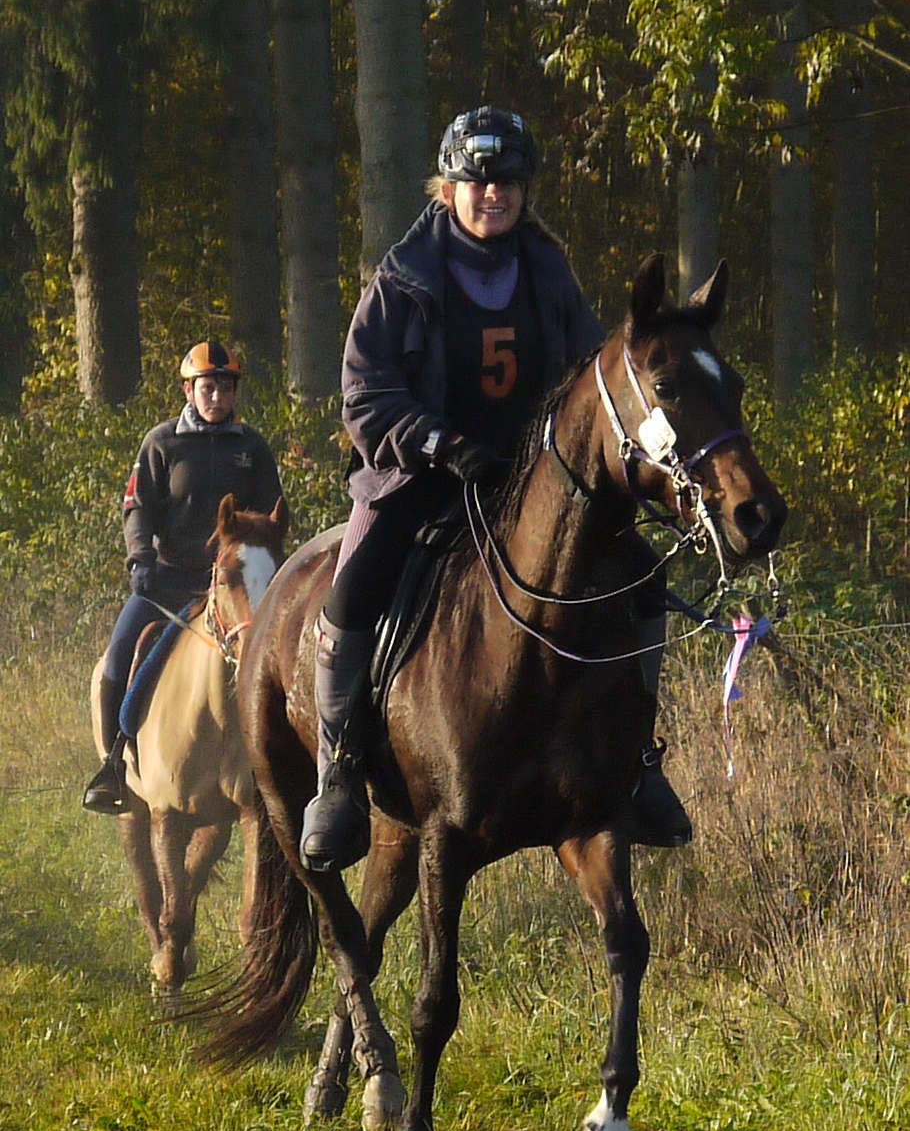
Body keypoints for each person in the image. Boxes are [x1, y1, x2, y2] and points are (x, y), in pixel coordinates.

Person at [299, 105, 691, 873]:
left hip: (533, 484)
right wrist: (441, 443)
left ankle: (637, 762)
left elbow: (591, 378)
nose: (493, 195)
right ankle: (338, 774)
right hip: (419, 475)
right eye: (477, 181)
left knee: (644, 585)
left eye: (507, 182)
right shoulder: (403, 277)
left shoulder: (547, 271)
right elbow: (365, 395)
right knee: (351, 597)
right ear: (447, 188)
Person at [82, 341, 284, 814]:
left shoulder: (252, 447)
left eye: (225, 388)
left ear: (235, 393)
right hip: (170, 580)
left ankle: (298, 766)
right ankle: (114, 767)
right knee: (116, 661)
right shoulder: (162, 442)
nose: (216, 397)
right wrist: (141, 560)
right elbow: (136, 506)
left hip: (236, 588)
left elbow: (271, 514)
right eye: (207, 388)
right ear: (190, 391)